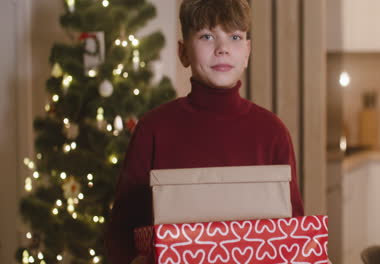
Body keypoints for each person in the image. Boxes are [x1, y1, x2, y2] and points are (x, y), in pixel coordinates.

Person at [105, 0, 304, 263]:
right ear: (183, 51)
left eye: (234, 37)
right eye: (207, 36)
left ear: (247, 50)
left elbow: (293, 230)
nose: (222, 49)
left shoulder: (273, 132)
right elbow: (122, 235)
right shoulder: (153, 129)